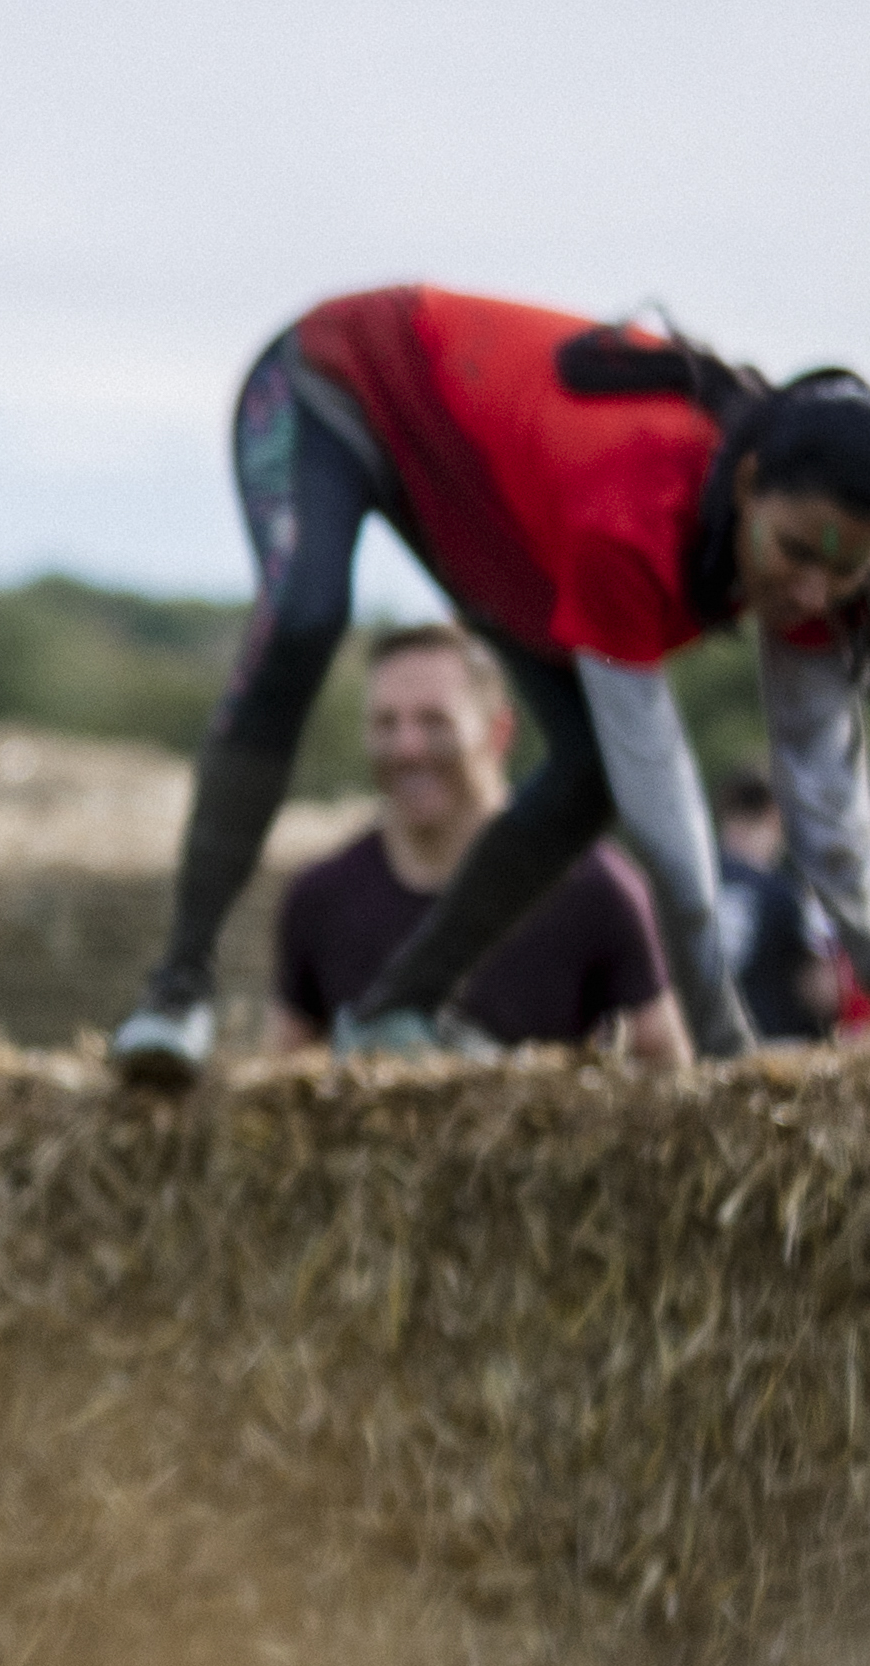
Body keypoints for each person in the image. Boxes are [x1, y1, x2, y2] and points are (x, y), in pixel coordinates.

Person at [108, 289, 870, 1085]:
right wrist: (725, 1054)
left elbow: (827, 804)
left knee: (587, 774)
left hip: (480, 503)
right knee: (306, 615)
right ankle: (177, 987)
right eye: (794, 553)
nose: (813, 592)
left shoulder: (821, 567)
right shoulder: (634, 508)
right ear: (747, 485)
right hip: (331, 382)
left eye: (843, 568)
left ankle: (398, 1007)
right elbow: (668, 826)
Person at [267, 627, 683, 1058]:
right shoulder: (320, 897)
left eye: (435, 722)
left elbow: (666, 1065)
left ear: (499, 733)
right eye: (385, 723)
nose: (407, 748)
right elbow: (279, 1074)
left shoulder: (597, 889)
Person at [710, 771, 846, 1044]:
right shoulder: (785, 894)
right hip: (779, 1053)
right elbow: (822, 990)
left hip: (705, 1052)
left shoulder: (687, 891)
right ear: (775, 815)